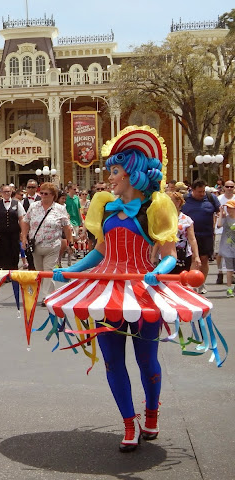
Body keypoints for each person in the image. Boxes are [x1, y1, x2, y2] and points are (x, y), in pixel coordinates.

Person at [49, 126, 212, 453]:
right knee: (112, 361)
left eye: (115, 170)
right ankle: (128, 422)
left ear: (132, 173)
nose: (110, 177)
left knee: (146, 358)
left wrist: (159, 272)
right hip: (106, 289)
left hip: (140, 290)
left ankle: (151, 414)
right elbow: (100, 252)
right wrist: (72, 270)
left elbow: (169, 255)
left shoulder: (155, 206)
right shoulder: (105, 206)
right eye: (110, 171)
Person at [21, 182, 72, 302]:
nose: (43, 195)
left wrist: (70, 242)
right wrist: (24, 237)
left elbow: (66, 226)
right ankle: (51, 293)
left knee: (48, 270)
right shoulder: (34, 206)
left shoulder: (60, 209)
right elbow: (25, 221)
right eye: (42, 193)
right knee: (40, 271)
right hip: (36, 245)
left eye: (46, 193)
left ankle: (47, 296)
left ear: (53, 195)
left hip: (52, 245)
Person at [181, 179, 220, 294]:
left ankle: (201, 283)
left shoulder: (211, 198)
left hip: (206, 235)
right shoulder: (185, 199)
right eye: (199, 192)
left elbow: (219, 211)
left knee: (204, 260)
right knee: (193, 258)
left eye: (203, 191)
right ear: (192, 190)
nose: (201, 194)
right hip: (189, 235)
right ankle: (191, 283)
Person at [155, 191, 201, 275]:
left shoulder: (186, 220)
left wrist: (197, 256)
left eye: (170, 201)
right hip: (165, 254)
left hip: (182, 255)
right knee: (165, 280)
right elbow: (159, 239)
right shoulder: (163, 219)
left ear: (178, 202)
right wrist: (153, 255)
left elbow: (192, 239)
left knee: (181, 279)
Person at [0, 184, 24, 271]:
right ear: (1, 193)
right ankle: (5, 272)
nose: (7, 193)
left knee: (14, 252)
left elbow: (21, 218)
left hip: (14, 233)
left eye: (9, 191)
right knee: (3, 253)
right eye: (5, 192)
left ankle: (13, 271)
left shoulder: (17, 203)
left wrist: (22, 232)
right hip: (1, 234)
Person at [215, 180, 235, 284]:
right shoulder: (219, 199)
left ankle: (231, 273)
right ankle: (220, 272)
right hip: (220, 228)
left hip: (232, 229)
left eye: (232, 186)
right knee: (219, 253)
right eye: (227, 186)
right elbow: (216, 213)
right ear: (224, 188)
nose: (229, 188)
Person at [216, 199, 235, 297]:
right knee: (229, 269)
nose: (229, 210)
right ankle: (229, 288)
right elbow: (219, 225)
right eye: (228, 208)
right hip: (227, 248)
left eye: (231, 208)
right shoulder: (225, 218)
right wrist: (221, 213)